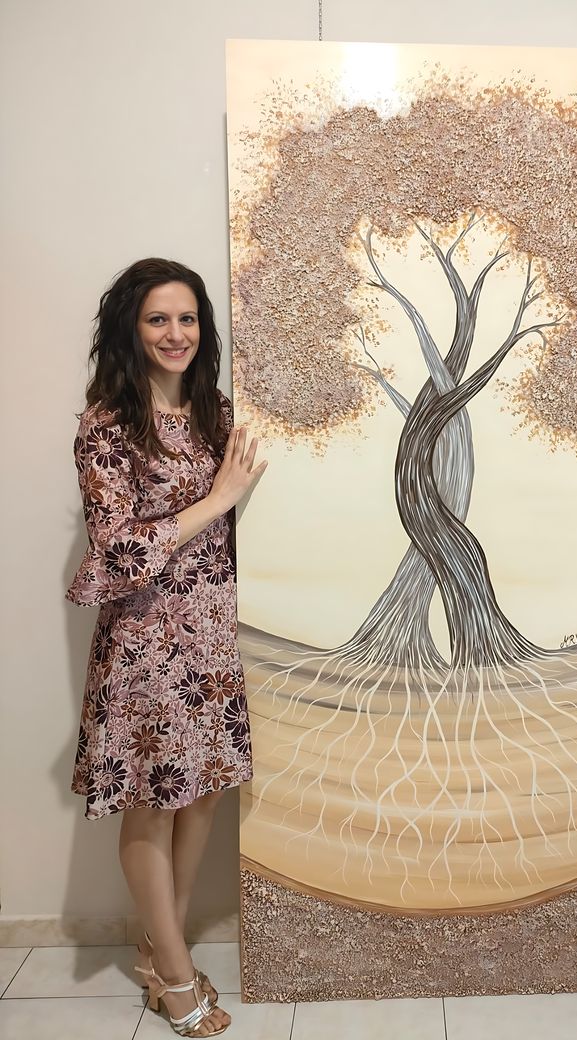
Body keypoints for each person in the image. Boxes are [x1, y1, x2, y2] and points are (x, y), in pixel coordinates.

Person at [66, 258, 267, 1036]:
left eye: (187, 319)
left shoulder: (215, 413)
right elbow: (113, 549)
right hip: (146, 642)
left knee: (202, 792)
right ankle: (176, 976)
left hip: (211, 637)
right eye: (158, 319)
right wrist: (216, 499)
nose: (175, 333)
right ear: (132, 328)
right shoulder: (106, 426)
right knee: (153, 804)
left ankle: (160, 949)